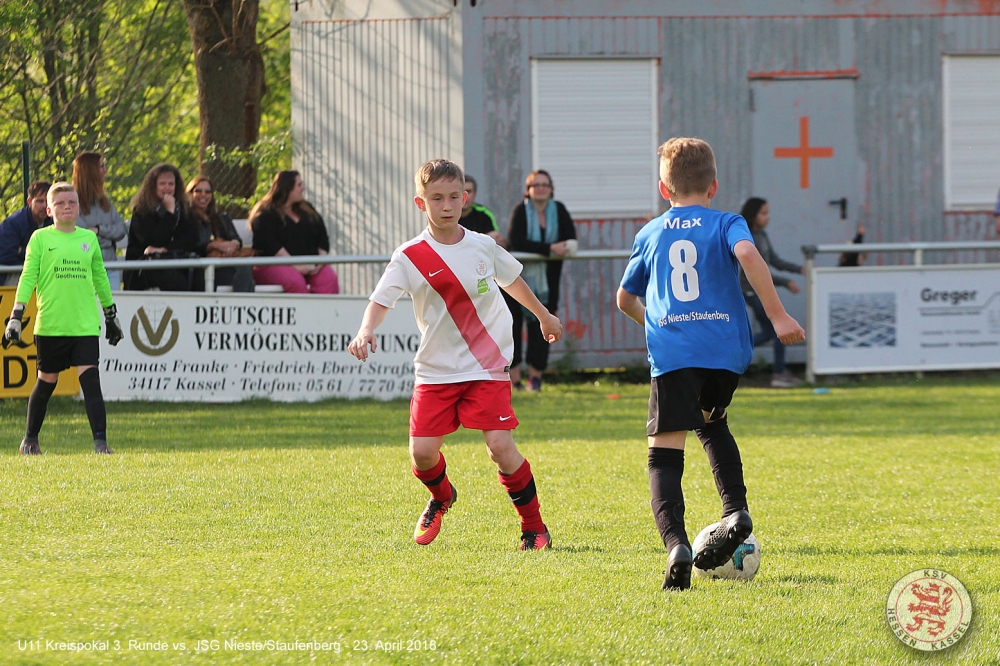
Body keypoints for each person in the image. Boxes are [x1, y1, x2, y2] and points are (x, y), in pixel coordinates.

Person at [617, 138, 804, 590]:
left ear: (664, 189)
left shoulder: (651, 233)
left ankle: (676, 546)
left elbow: (624, 298)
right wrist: (778, 316)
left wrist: (654, 325)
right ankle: (735, 511)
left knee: (663, 456)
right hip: (724, 352)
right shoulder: (728, 222)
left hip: (674, 354)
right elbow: (748, 255)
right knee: (713, 424)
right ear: (713, 186)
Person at [348, 159, 563, 551]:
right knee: (422, 454)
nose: (446, 206)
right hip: (436, 370)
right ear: (421, 203)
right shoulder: (409, 255)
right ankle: (442, 496)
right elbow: (380, 300)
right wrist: (366, 329)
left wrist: (543, 315)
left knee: (501, 447)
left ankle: (534, 528)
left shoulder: (483, 245)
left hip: (487, 365)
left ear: (464, 198)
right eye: (436, 198)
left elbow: (513, 280)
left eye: (453, 197)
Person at [2, 182, 124, 455]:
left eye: (72, 203)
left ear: (78, 208)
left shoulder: (89, 239)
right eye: (60, 203)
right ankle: (30, 440)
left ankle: (101, 444)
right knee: (46, 382)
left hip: (84, 325)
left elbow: (100, 278)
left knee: (91, 381)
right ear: (49, 210)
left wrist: (110, 315)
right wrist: (16, 316)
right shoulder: (40, 239)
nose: (66, 207)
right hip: (51, 326)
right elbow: (27, 278)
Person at [505, 169, 577, 391]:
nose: (541, 188)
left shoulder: (559, 210)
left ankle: (535, 378)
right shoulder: (520, 211)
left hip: (549, 280)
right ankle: (515, 380)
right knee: (513, 328)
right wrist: (549, 248)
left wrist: (563, 247)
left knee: (544, 325)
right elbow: (516, 241)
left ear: (551, 188)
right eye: (536, 185)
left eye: (545, 184)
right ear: (528, 190)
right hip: (518, 279)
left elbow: (570, 238)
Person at [737, 197, 805, 388]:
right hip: (751, 292)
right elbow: (759, 272)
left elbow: (774, 261)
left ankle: (731, 349)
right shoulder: (746, 238)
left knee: (769, 332)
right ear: (753, 215)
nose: (767, 217)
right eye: (763, 213)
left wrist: (798, 269)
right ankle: (779, 374)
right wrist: (786, 282)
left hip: (758, 291)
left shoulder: (762, 235)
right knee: (778, 329)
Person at [249, 171, 338, 294]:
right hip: (273, 264)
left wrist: (320, 263)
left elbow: (322, 236)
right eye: (299, 185)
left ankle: (324, 307)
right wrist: (295, 265)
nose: (303, 188)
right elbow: (270, 244)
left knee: (329, 279)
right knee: (295, 282)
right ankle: (303, 308)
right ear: (287, 188)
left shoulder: (307, 209)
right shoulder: (266, 213)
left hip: (309, 263)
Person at [124, 163, 200, 291]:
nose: (167, 188)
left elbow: (192, 238)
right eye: (162, 184)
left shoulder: (183, 208)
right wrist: (169, 213)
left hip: (175, 259)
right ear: (153, 186)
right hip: (145, 267)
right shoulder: (142, 210)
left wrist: (166, 249)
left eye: (171, 184)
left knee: (200, 276)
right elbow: (152, 240)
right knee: (175, 280)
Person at [187, 176, 255, 292]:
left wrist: (232, 245)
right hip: (202, 268)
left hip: (227, 262)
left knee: (245, 267)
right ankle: (240, 301)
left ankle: (240, 300)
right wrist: (215, 245)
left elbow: (236, 239)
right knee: (247, 279)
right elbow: (191, 245)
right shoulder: (186, 218)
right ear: (190, 193)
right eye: (198, 191)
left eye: (208, 191)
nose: (203, 195)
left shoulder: (222, 218)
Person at [73, 151, 128, 290]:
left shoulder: (105, 202)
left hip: (110, 268)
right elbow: (84, 238)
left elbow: (121, 229)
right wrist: (108, 239)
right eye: (102, 166)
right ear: (90, 171)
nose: (106, 170)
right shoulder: (72, 203)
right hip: (84, 270)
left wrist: (99, 230)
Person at [0, 181, 52, 286]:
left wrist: (21, 251)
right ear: (29, 201)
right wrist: (35, 256)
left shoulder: (54, 222)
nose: (44, 205)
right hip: (13, 275)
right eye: (40, 201)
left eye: (48, 201)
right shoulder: (13, 223)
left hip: (43, 273)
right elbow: (5, 256)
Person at [459, 175, 503, 245]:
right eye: (461, 191)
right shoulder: (446, 213)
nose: (465, 196)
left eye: (468, 191)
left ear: (475, 194)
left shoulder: (485, 214)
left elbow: (496, 240)